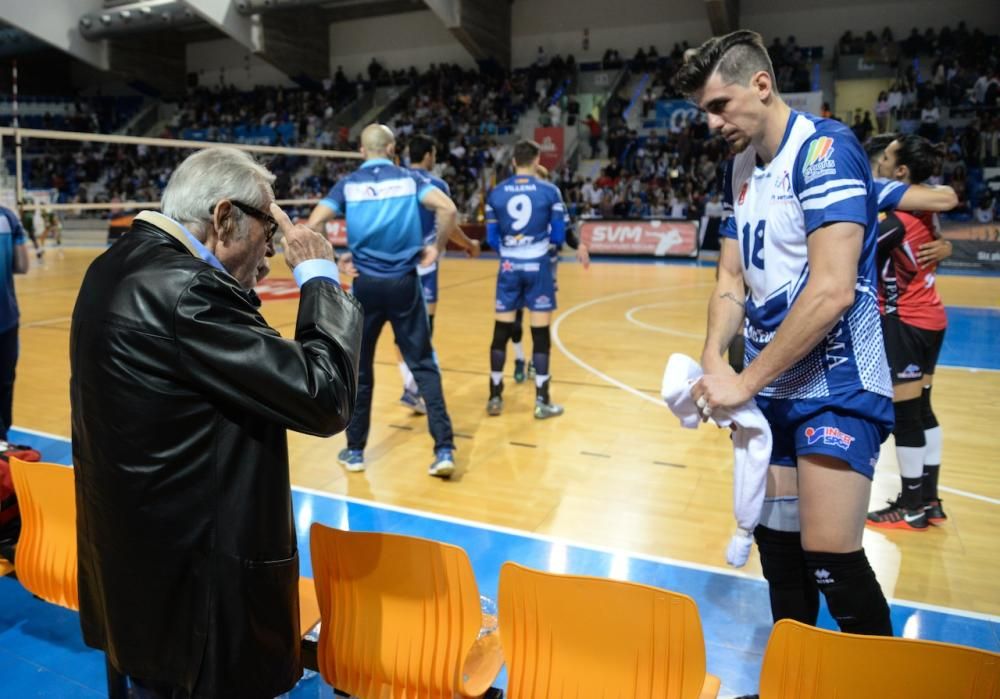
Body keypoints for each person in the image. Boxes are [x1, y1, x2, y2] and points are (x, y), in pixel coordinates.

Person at [70, 146, 363, 699]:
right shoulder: (188, 293)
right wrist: (320, 278)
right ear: (225, 218)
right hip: (197, 599)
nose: (272, 253)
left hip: (134, 571)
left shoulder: (112, 265)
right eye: (268, 232)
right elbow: (325, 398)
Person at [676, 30, 895, 642]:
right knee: (778, 551)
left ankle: (884, 682)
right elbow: (728, 277)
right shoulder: (738, 170)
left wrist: (743, 378)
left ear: (762, 85)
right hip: (771, 384)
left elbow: (831, 291)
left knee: (830, 555)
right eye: (705, 113)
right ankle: (795, 678)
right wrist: (712, 356)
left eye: (720, 106)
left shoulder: (825, 149)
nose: (714, 123)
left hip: (838, 376)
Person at [308, 124, 459, 477]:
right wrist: (436, 248)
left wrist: (335, 258)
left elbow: (315, 221)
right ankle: (444, 449)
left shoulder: (347, 184)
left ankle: (356, 451)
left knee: (359, 371)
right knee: (423, 364)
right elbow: (448, 209)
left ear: (362, 151)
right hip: (405, 283)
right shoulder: (410, 180)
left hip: (366, 287)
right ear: (391, 148)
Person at [864, 135, 955, 530]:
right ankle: (930, 501)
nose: (881, 162)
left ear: (901, 171)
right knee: (922, 411)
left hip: (906, 323)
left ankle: (911, 507)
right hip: (932, 319)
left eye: (886, 158)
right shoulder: (924, 212)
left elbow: (858, 250)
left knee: (905, 418)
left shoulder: (898, 220)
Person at [486, 142, 574, 419]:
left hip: (509, 268)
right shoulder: (549, 191)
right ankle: (542, 401)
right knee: (540, 336)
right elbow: (559, 237)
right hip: (538, 268)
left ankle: (495, 396)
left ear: (513, 161)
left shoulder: (496, 193)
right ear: (537, 160)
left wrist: (511, 252)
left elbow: (491, 239)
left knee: (501, 332)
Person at [395, 134, 481, 412]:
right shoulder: (436, 184)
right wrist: (469, 245)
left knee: (402, 329)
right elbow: (450, 222)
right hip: (426, 266)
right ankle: (413, 388)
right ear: (430, 155)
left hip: (396, 264)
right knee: (424, 330)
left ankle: (409, 384)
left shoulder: (395, 180)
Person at [0, 206, 29, 445]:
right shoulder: (8, 218)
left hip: (7, 318)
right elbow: (22, 266)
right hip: (7, 317)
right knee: (5, 382)